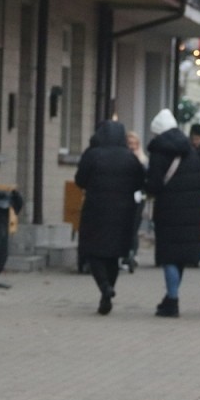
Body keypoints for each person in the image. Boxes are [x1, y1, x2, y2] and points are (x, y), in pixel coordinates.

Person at [75, 119, 145, 315]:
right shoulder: (129, 158)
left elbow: (79, 180)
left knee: (94, 252)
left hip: (95, 211)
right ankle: (107, 291)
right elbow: (140, 181)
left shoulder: (93, 155)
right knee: (113, 255)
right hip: (123, 213)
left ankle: (105, 287)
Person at [146, 108, 200, 318]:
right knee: (180, 256)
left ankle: (172, 300)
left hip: (168, 210)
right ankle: (171, 295)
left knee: (169, 255)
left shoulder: (158, 152)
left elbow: (153, 184)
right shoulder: (191, 150)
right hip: (191, 210)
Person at [124, 129, 149, 274]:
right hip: (125, 196)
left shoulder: (143, 160)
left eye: (134, 143)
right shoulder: (122, 158)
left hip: (139, 197)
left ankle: (132, 253)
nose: (132, 146)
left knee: (134, 226)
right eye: (129, 143)